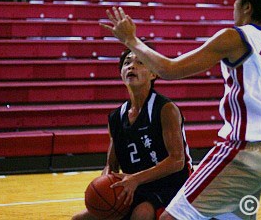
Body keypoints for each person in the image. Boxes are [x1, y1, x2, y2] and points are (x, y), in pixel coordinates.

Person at [101, 0, 261, 218]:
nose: (234, 7)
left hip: (242, 151)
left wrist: (132, 41)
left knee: (170, 218)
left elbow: (169, 70)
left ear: (248, 7)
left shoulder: (235, 37)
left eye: (237, 1)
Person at [72, 49, 192, 220]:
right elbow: (111, 164)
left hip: (172, 185)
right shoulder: (116, 117)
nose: (131, 66)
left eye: (140, 62)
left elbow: (177, 161)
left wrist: (135, 179)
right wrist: (106, 183)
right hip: (135, 185)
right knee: (81, 219)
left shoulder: (165, 109)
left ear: (153, 74)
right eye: (127, 63)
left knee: (141, 214)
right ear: (121, 73)